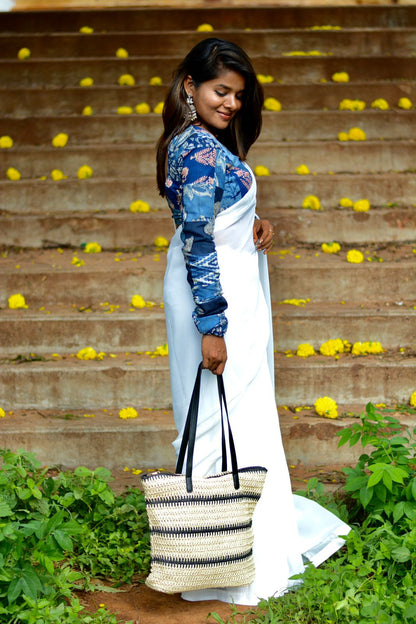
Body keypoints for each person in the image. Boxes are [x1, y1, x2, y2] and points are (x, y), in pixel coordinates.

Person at [156, 37, 350, 607]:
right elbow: (197, 243)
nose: (233, 103)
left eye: (239, 94)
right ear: (190, 87)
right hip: (215, 298)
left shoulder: (205, 145)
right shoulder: (192, 149)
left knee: (242, 415)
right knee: (223, 419)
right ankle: (222, 560)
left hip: (235, 288)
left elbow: (216, 214)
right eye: (222, 91)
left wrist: (254, 223)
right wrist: (213, 326)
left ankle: (244, 545)